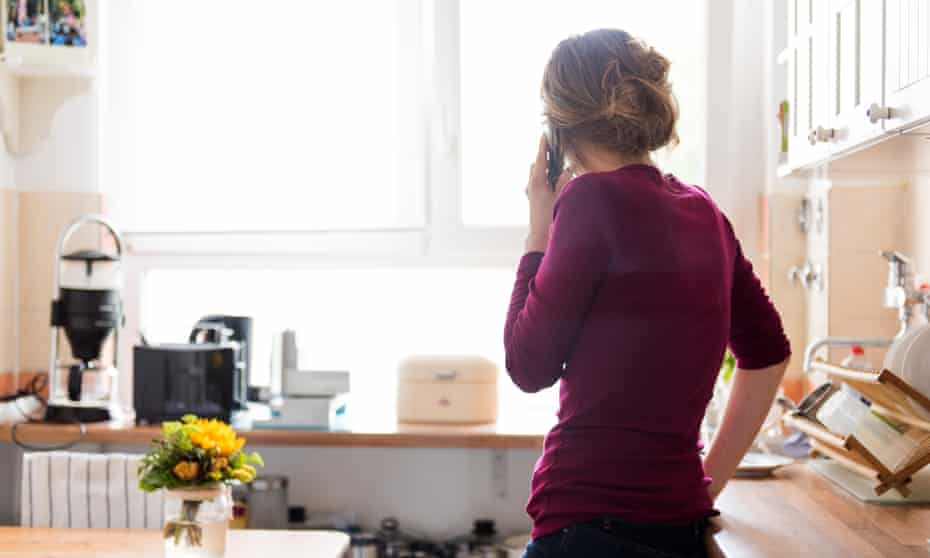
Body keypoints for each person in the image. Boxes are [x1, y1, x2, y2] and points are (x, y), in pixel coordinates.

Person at [504, 28, 791, 558]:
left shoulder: (590, 201)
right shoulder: (704, 211)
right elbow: (768, 353)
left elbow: (528, 366)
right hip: (679, 529)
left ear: (558, 127)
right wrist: (706, 486)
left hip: (587, 527)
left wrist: (537, 230)